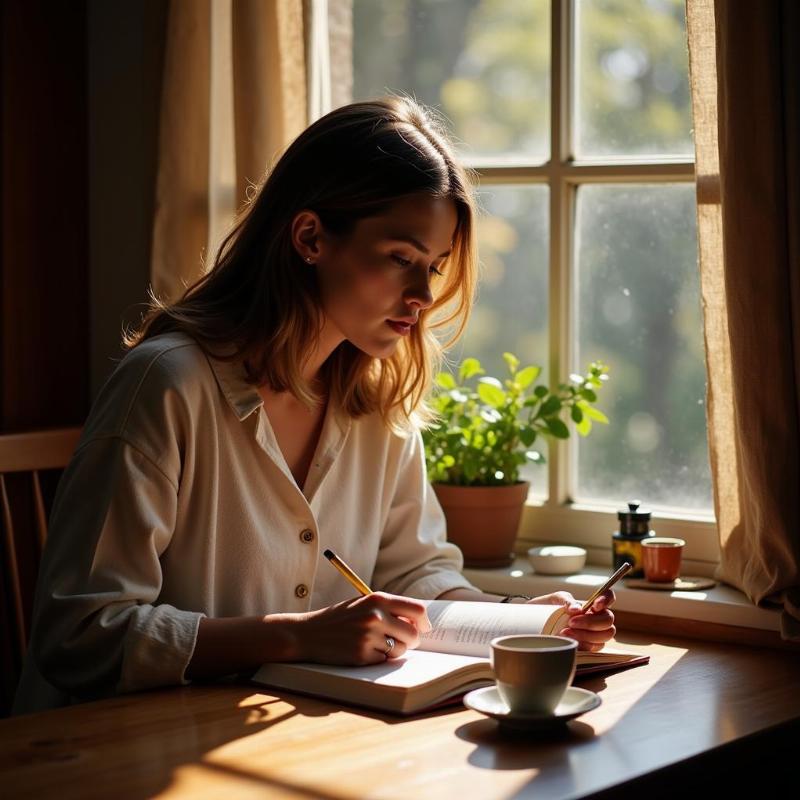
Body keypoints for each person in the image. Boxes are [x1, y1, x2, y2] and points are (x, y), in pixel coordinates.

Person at [13, 96, 615, 714]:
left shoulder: (380, 408)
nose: (420, 296)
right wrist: (298, 636)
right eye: (400, 259)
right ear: (310, 238)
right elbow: (79, 635)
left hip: (274, 740)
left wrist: (521, 622)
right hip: (105, 751)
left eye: (432, 269)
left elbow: (414, 577)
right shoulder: (167, 387)